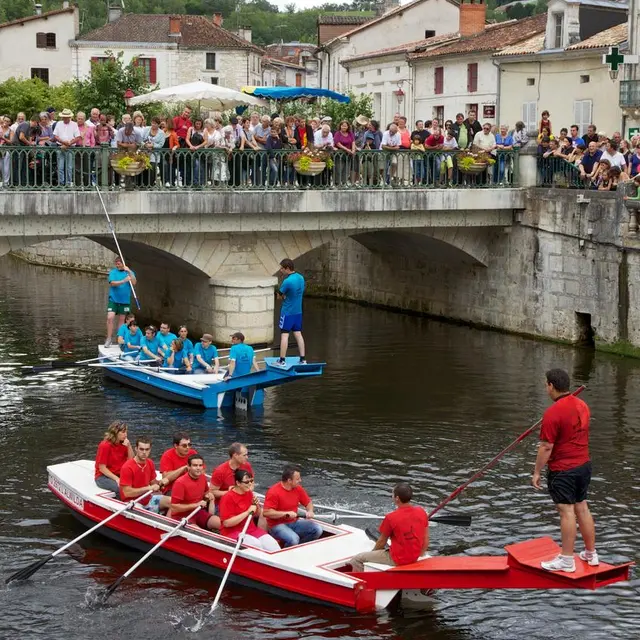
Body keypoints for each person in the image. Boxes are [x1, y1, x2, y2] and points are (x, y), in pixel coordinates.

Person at [532, 369, 597, 572]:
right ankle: (591, 553)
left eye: (546, 385)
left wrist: (536, 472)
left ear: (551, 385)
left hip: (564, 469)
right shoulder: (582, 405)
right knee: (582, 507)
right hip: (584, 465)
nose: (546, 388)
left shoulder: (552, 412)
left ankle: (567, 560)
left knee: (566, 512)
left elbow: (546, 447)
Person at [350, 482, 428, 572]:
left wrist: (373, 553)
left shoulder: (391, 517)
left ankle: (361, 583)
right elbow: (426, 538)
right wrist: (420, 555)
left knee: (357, 559)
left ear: (397, 498)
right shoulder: (421, 512)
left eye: (392, 494)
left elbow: (381, 542)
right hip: (415, 556)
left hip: (397, 559)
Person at [219, 469, 280, 551]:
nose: (250, 484)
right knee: (256, 545)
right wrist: (247, 512)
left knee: (273, 545)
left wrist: (256, 506)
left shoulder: (249, 493)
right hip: (232, 532)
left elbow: (257, 514)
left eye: (251, 481)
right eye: (247, 482)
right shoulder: (227, 498)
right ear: (238, 483)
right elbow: (227, 523)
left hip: (251, 529)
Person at [263, 464, 323, 547]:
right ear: (289, 480)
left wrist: (310, 510)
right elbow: (266, 513)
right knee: (294, 539)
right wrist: (286, 514)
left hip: (294, 522)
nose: (300, 480)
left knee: (317, 530)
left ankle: (299, 548)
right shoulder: (273, 492)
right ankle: (285, 555)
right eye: (297, 479)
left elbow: (308, 502)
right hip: (276, 525)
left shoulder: (298, 489)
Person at [119, 437, 171, 513]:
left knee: (173, 502)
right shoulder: (127, 467)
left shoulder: (150, 463)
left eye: (147, 449)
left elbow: (153, 483)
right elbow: (127, 493)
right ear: (136, 449)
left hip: (148, 499)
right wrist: (148, 488)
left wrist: (161, 482)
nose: (144, 452)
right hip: (132, 502)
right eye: (141, 449)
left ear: (150, 450)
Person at [169, 455, 218, 529]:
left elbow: (206, 493)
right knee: (199, 533)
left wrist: (209, 496)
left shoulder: (202, 477)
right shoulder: (180, 483)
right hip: (182, 517)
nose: (198, 468)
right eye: (195, 465)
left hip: (198, 512)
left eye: (200, 465)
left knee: (219, 523)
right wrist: (196, 505)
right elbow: (174, 508)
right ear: (188, 467)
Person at [276, 258, 306, 366]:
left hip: (287, 312)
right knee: (298, 334)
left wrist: (283, 296)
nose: (280, 270)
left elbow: (279, 295)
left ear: (287, 268)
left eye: (282, 268)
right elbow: (300, 291)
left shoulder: (287, 281)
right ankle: (303, 359)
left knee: (284, 335)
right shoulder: (301, 278)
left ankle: (282, 360)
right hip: (298, 312)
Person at [105, 256, 137, 347]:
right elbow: (112, 283)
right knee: (110, 317)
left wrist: (130, 272)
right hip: (114, 300)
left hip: (124, 301)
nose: (117, 265)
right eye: (116, 264)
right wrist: (124, 280)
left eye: (119, 264)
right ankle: (109, 338)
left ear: (124, 264)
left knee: (122, 320)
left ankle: (119, 339)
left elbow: (134, 282)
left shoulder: (129, 273)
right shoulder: (113, 272)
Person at [94, 420, 134, 493]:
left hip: (119, 474)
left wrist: (129, 446)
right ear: (115, 432)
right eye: (123, 432)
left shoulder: (124, 444)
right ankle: (123, 502)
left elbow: (131, 461)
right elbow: (102, 468)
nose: (126, 435)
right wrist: (117, 479)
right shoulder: (105, 445)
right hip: (103, 477)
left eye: (126, 432)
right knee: (121, 488)